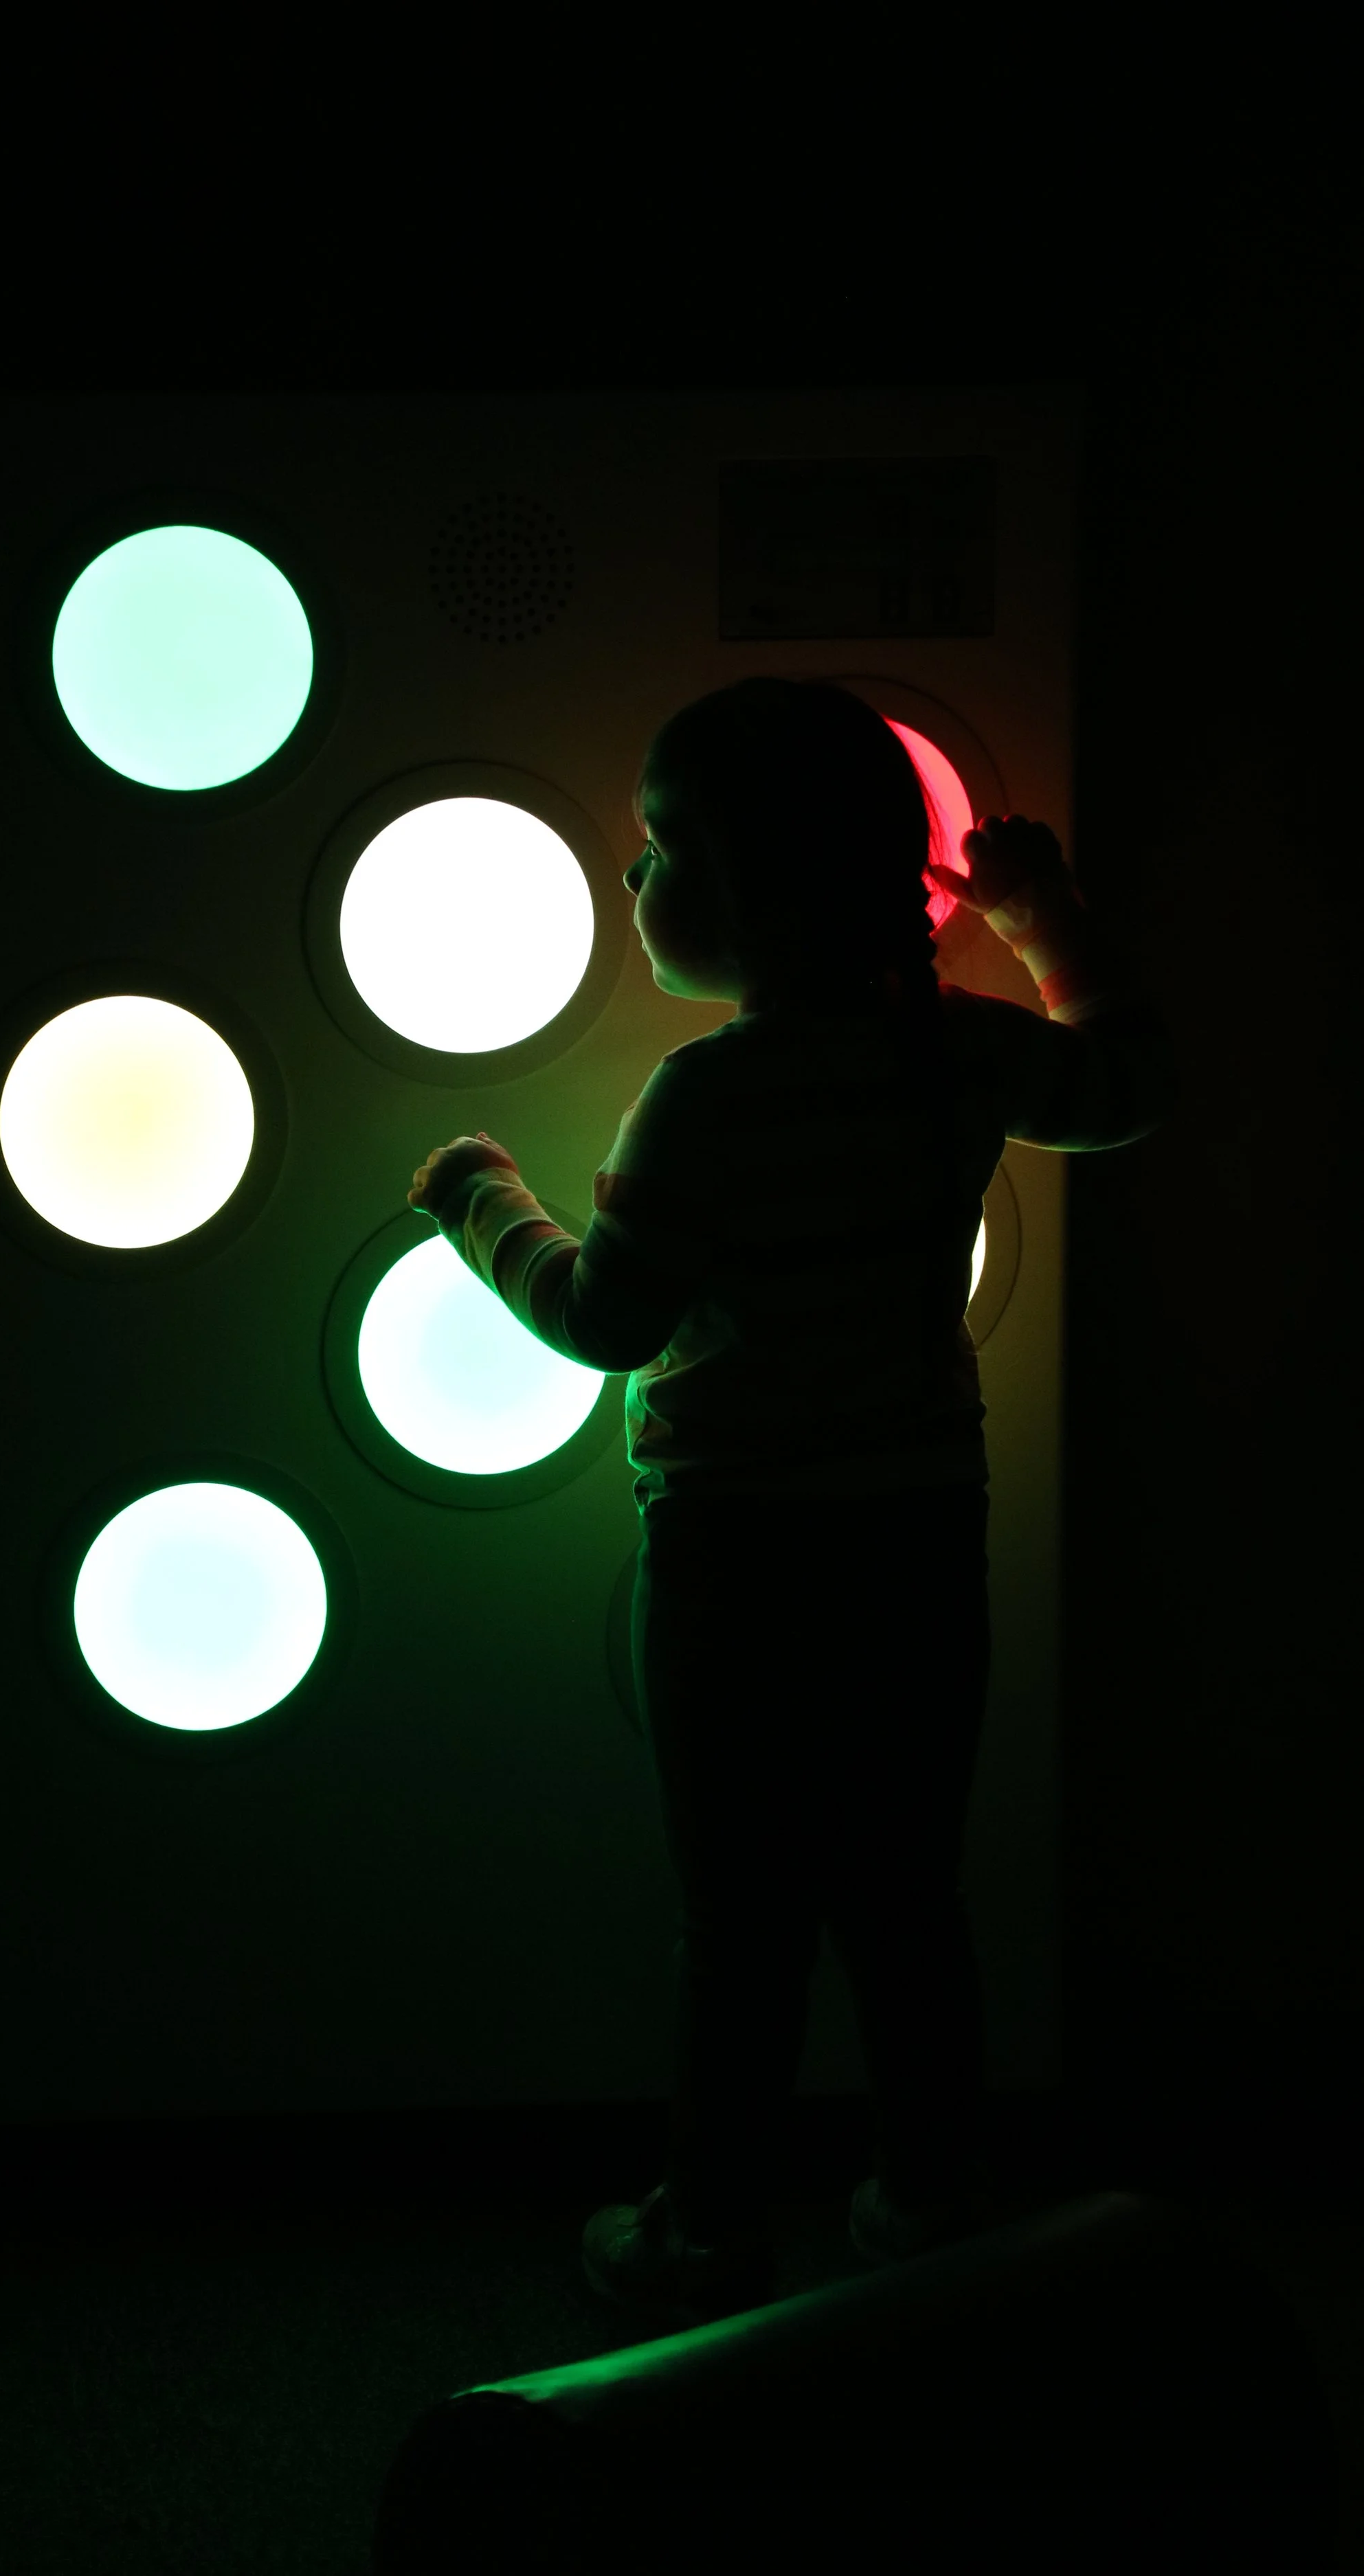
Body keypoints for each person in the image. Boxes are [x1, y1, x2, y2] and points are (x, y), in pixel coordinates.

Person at [419, 676, 1179, 2263]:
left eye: (659, 844)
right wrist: (1045, 923)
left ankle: (708, 2222)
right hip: (916, 1534)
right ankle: (932, 2197)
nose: (632, 879)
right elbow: (1119, 1087)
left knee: (741, 1916)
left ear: (754, 889)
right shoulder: (956, 1054)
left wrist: (480, 1198)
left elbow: (604, 1320)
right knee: (907, 1900)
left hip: (735, 1559)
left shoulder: (702, 1096)